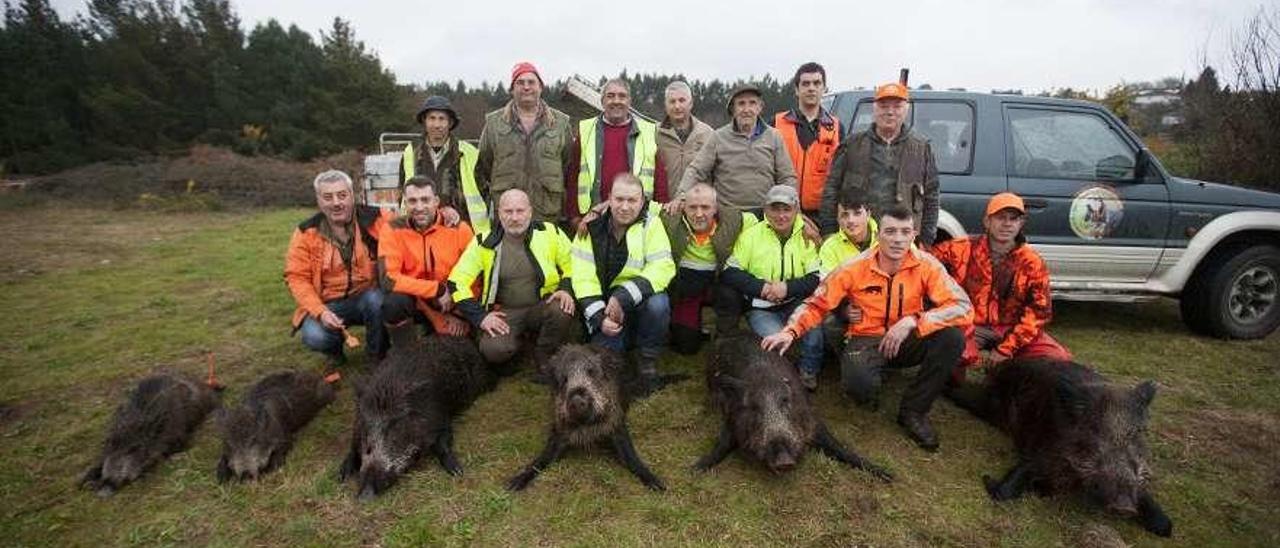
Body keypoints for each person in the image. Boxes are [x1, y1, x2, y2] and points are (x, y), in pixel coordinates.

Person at [762, 206, 972, 451]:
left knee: (952, 338)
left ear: (914, 234)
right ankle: (868, 376)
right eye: (890, 231)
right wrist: (790, 331)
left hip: (909, 335)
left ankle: (914, 411)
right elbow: (818, 302)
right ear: (878, 233)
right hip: (866, 338)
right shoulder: (854, 267)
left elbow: (962, 306)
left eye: (905, 232)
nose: (897, 239)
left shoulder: (927, 265)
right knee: (859, 389)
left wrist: (914, 320)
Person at [931, 192, 1072, 376]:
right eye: (1000, 218)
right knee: (955, 356)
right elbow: (923, 264)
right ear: (987, 221)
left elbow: (1038, 313)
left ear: (1021, 224)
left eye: (1013, 219)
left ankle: (1010, 371)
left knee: (1059, 358)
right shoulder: (959, 249)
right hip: (970, 326)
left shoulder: (1032, 262)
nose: (1007, 224)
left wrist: (1006, 349)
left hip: (1012, 328)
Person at [572, 173, 676, 397]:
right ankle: (618, 341)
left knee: (659, 304)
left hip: (637, 300)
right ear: (609, 198)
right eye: (619, 199)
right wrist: (600, 317)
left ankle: (647, 359)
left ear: (642, 201)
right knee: (607, 368)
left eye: (632, 200)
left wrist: (623, 296)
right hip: (604, 307)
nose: (625, 207)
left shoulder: (652, 224)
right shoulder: (590, 227)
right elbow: (582, 278)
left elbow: (663, 266)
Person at [449, 189, 576, 370]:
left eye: (520, 211)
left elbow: (573, 263)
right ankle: (522, 347)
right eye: (508, 212)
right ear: (499, 213)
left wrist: (565, 288)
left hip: (542, 306)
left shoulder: (550, 232)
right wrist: (481, 317)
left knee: (560, 309)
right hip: (506, 313)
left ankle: (546, 357)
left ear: (530, 212)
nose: (514, 217)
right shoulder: (483, 242)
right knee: (493, 351)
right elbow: (456, 281)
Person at [284, 169, 392, 368]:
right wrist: (320, 312)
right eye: (328, 197)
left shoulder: (376, 218)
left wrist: (444, 214)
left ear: (353, 195)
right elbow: (297, 278)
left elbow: (411, 226)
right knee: (314, 336)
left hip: (368, 297)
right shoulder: (305, 232)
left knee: (376, 300)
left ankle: (377, 356)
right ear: (319, 200)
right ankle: (335, 352)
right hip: (327, 305)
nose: (336, 203)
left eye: (342, 195)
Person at [721, 185, 824, 390]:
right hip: (761, 308)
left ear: (796, 210)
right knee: (774, 342)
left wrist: (787, 288)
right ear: (765, 210)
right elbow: (729, 271)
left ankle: (808, 371)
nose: (781, 215)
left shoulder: (807, 237)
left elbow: (816, 277)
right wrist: (762, 288)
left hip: (795, 303)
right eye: (775, 209)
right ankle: (783, 377)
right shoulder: (750, 236)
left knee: (814, 333)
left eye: (786, 209)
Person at [819, 82, 940, 245]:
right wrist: (828, 231)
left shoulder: (921, 149)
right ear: (874, 109)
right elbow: (831, 189)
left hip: (902, 241)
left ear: (906, 110)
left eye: (897, 106)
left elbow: (932, 197)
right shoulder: (852, 145)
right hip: (858, 240)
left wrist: (926, 239)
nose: (890, 112)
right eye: (883, 106)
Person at [670, 84, 797, 215]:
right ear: (733, 109)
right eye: (741, 104)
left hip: (766, 214)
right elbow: (696, 170)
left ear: (760, 107)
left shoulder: (774, 136)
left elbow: (787, 177)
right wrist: (682, 195)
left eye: (752, 103)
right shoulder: (718, 137)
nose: (747, 109)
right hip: (728, 214)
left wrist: (793, 206)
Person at [378, 176, 474, 345]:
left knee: (461, 346)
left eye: (425, 200)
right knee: (394, 303)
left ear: (436, 201)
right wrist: (436, 290)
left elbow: (476, 277)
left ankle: (446, 328)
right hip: (418, 300)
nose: (419, 207)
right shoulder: (392, 229)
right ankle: (405, 353)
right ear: (405, 203)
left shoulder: (459, 228)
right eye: (412, 201)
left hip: (454, 300)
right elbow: (389, 279)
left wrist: (458, 312)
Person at [660, 182, 754, 353]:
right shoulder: (669, 217)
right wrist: (600, 208)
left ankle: (725, 338)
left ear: (716, 208)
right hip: (687, 289)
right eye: (692, 207)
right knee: (685, 347)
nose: (699, 214)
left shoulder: (736, 219)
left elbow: (770, 220)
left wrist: (802, 223)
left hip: (718, 285)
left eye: (705, 207)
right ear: (683, 207)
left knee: (730, 293)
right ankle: (691, 329)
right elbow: (635, 205)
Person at [476, 61, 574, 224]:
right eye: (520, 83)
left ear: (541, 87)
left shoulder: (561, 123)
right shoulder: (494, 123)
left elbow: (568, 165)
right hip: (508, 217)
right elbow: (484, 166)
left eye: (531, 82)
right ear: (512, 89)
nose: (526, 87)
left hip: (546, 215)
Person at [565, 78, 669, 227]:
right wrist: (574, 217)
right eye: (610, 96)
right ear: (602, 101)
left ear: (629, 101)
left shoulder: (648, 131)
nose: (616, 101)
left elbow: (659, 178)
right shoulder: (586, 130)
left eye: (622, 96)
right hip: (593, 219)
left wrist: (660, 217)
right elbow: (573, 176)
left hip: (638, 219)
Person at [403, 95, 490, 234]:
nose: (437, 125)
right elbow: (402, 197)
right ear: (424, 121)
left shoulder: (469, 153)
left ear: (450, 123)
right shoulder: (410, 153)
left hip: (462, 233)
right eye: (432, 118)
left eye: (442, 119)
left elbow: (485, 195)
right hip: (421, 234)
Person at [774, 62, 843, 220]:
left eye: (817, 83)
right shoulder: (776, 123)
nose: (811, 88)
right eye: (805, 84)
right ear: (797, 90)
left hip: (822, 215)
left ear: (824, 88)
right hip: (782, 212)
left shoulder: (838, 128)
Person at [818, 185, 878, 354]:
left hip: (885, 305)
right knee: (829, 322)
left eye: (857, 213)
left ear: (869, 214)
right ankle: (847, 360)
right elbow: (826, 288)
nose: (851, 220)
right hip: (850, 306)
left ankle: (887, 361)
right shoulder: (830, 247)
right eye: (845, 215)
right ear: (838, 219)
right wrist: (844, 310)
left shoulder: (888, 237)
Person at [656, 80, 714, 186]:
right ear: (666, 105)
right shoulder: (655, 134)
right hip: (664, 202)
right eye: (672, 101)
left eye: (682, 100)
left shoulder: (708, 134)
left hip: (697, 201)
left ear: (691, 103)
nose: (677, 106)